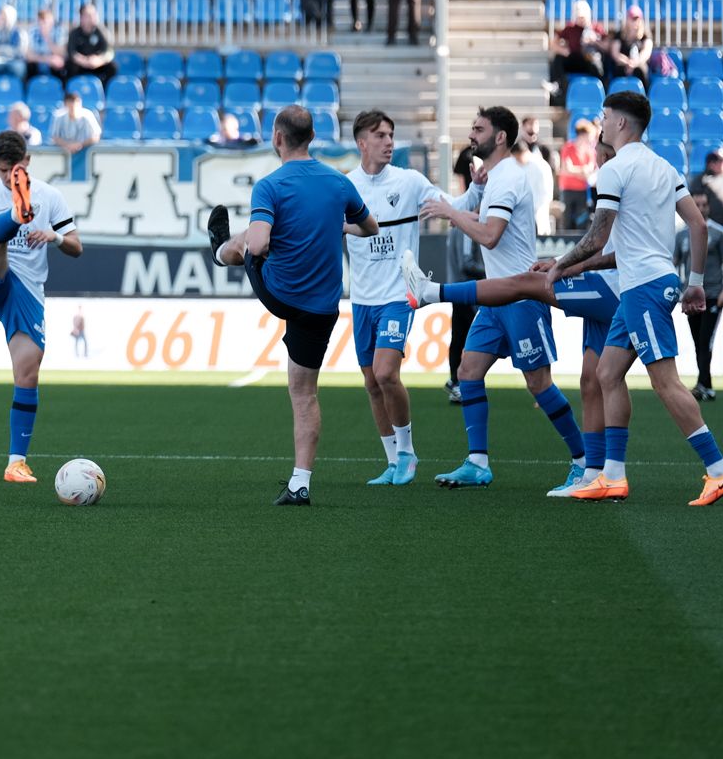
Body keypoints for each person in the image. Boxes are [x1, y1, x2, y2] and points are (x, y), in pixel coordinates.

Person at [555, 92, 723, 506]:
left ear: (621, 123)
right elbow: (696, 223)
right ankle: (613, 477)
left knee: (665, 382)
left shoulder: (615, 169)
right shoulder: (664, 166)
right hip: (647, 284)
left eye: (604, 116)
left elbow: (596, 236)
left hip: (642, 288)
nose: (601, 123)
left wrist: (559, 265)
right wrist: (693, 281)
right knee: (607, 373)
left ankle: (718, 471)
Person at [406, 140, 622, 497]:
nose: (473, 135)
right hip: (497, 298)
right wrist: (469, 195)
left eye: (480, 128)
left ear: (500, 136)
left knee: (540, 383)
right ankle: (477, 462)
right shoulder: (496, 179)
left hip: (523, 297)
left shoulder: (512, 178)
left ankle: (584, 461)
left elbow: (490, 235)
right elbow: (477, 218)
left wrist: (453, 213)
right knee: (468, 371)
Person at [206, 106, 377, 505]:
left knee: (246, 239)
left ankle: (218, 251)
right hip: (322, 307)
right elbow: (370, 227)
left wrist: (254, 243)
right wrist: (337, 224)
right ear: (312, 138)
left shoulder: (269, 185)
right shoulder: (338, 183)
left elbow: (262, 245)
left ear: (278, 139)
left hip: (279, 293)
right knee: (305, 395)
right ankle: (300, 483)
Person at [345, 110, 480, 486]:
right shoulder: (346, 186)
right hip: (361, 300)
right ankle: (392, 461)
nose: (389, 142)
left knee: (387, 373)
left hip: (398, 295)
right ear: (362, 143)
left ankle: (407, 453)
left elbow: (454, 204)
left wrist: (477, 189)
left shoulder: (409, 181)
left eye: (391, 134)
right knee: (372, 383)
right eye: (381, 135)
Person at [0, 131, 83, 483]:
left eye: (14, 170)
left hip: (27, 293)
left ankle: (15, 464)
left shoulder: (51, 197)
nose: (7, 177)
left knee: (27, 373)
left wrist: (53, 237)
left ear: (28, 162)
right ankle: (14, 217)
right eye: (3, 171)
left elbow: (76, 248)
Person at [676, 193, 723, 401]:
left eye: (704, 204)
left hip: (711, 294)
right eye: (697, 204)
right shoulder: (682, 235)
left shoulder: (719, 232)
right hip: (690, 297)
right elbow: (674, 262)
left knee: (705, 339)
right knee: (697, 341)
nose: (701, 207)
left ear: (708, 207)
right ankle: (706, 385)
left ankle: (702, 384)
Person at [444, 146, 486, 404]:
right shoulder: (467, 221)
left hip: (462, 287)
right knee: (464, 337)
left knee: (460, 336)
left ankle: (456, 380)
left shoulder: (463, 218)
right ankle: (458, 381)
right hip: (466, 289)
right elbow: (467, 262)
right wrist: (493, 272)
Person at [549, 0, 606, 101]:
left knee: (597, 64)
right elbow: (553, 43)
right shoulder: (570, 28)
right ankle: (558, 87)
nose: (581, 20)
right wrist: (563, 51)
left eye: (582, 17)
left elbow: (607, 46)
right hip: (574, 59)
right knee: (558, 59)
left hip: (590, 60)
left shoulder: (596, 27)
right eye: (579, 17)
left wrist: (595, 42)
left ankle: (598, 92)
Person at [559, 119, 599, 229]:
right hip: (568, 189)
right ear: (583, 134)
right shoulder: (568, 147)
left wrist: (575, 170)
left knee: (582, 221)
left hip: (582, 190)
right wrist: (582, 171)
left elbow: (589, 171)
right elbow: (566, 169)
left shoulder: (590, 152)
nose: (591, 139)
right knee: (567, 221)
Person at [65, 3, 117, 84]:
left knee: (112, 67)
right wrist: (84, 61)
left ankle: (103, 91)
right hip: (80, 64)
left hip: (97, 64)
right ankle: (73, 90)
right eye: (89, 15)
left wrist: (99, 60)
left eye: (94, 14)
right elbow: (72, 52)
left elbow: (108, 51)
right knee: (69, 66)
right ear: (82, 17)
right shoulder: (74, 33)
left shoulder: (101, 32)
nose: (92, 17)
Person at [606, 5, 654, 83]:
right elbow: (615, 53)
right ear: (627, 19)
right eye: (633, 19)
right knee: (619, 70)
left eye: (638, 19)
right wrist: (628, 62)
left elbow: (646, 52)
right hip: (623, 62)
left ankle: (644, 93)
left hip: (639, 62)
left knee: (641, 70)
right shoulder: (620, 35)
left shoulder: (645, 35)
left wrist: (635, 63)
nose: (636, 21)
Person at [0, 3, 30, 83]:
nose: (0, 18)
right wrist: (3, 51)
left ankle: (18, 89)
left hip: (14, 60)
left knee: (20, 68)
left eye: (4, 17)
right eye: (0, 16)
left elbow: (21, 51)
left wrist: (4, 50)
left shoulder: (20, 33)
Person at [26, 7, 66, 79]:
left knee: (60, 65)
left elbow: (61, 53)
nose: (42, 24)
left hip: (54, 64)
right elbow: (29, 56)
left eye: (44, 21)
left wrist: (47, 38)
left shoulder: (59, 31)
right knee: (29, 67)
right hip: (39, 61)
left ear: (52, 21)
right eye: (40, 21)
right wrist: (47, 59)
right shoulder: (33, 31)